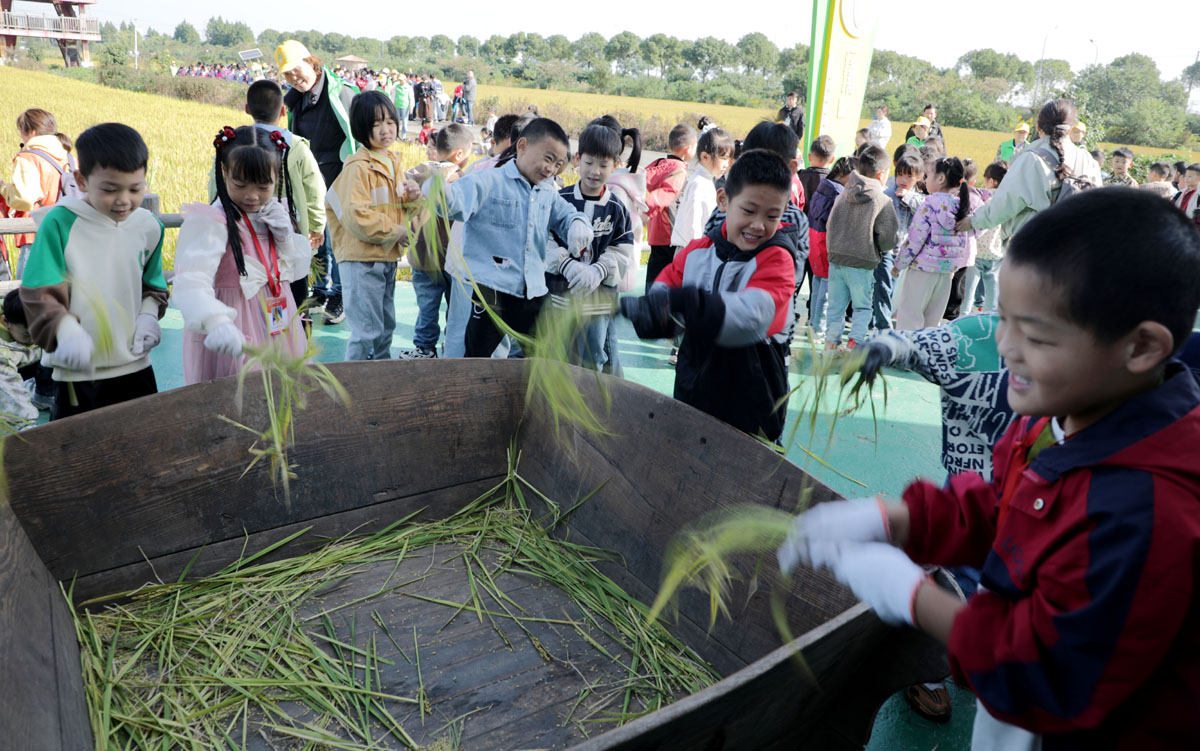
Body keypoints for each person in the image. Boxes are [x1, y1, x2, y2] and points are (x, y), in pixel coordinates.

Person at [778, 188, 1200, 749]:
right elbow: (1004, 506)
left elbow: (1042, 672)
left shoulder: (1149, 510)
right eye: (1003, 321)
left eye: (1037, 336)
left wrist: (914, 598)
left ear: (1142, 347)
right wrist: (894, 519)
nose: (1006, 348)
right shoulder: (1057, 414)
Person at [620, 150, 799, 442]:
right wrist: (653, 313)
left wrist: (685, 301)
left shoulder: (777, 259)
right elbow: (666, 292)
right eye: (749, 210)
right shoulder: (697, 251)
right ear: (724, 201)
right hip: (695, 397)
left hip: (752, 410)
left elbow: (748, 320)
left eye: (772, 216)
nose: (759, 224)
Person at [19, 123, 167, 419]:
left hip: (136, 364)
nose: (124, 200)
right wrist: (66, 330)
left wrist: (149, 316)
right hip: (78, 374)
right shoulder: (60, 222)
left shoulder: (149, 226)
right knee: (78, 458)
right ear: (81, 180)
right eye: (110, 190)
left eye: (136, 188)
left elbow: (153, 285)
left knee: (143, 447)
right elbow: (40, 290)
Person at [409, 118, 591, 358]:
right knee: (477, 358)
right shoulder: (488, 181)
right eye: (548, 158)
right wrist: (439, 191)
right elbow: (455, 202)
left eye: (558, 164)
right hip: (491, 294)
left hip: (532, 291)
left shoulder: (547, 190)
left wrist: (578, 224)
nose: (551, 169)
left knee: (543, 357)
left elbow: (566, 215)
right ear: (522, 146)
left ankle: (531, 394)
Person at [174, 126, 310, 384]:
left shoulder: (273, 213)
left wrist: (286, 238)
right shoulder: (213, 222)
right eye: (240, 184)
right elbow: (191, 280)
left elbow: (295, 270)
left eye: (263, 186)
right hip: (234, 327)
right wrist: (216, 322)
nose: (252, 195)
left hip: (278, 320)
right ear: (224, 171)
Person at [276, 40, 359, 326]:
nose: (294, 78)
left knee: (338, 238)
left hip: (338, 175)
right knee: (316, 236)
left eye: (297, 70)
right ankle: (321, 290)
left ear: (311, 62)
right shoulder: (295, 99)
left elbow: (357, 135)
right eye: (287, 75)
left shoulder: (342, 93)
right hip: (310, 178)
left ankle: (339, 294)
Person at [325, 92, 410, 362]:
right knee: (367, 332)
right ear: (362, 130)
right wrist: (398, 232)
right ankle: (357, 388)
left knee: (385, 328)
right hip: (362, 260)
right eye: (376, 124)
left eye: (389, 121)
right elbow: (357, 216)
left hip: (384, 256)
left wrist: (414, 194)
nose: (386, 129)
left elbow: (396, 206)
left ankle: (380, 383)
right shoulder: (358, 168)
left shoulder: (392, 162)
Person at [543, 123, 636, 371]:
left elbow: (623, 250)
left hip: (598, 302)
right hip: (559, 295)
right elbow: (543, 239)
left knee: (593, 357)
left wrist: (599, 271)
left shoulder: (617, 208)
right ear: (577, 159)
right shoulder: (560, 200)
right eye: (589, 162)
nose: (595, 171)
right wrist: (565, 264)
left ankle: (589, 406)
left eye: (604, 165)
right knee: (555, 353)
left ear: (615, 166)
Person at [957, 99, 1102, 242]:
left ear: (1038, 127)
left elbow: (1004, 204)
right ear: (1069, 130)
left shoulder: (1031, 159)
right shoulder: (1088, 160)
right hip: (1078, 246)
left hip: (1039, 244)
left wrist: (972, 221)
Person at [399, 123, 472, 359]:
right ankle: (451, 346)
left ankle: (424, 347)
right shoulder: (460, 178)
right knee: (455, 310)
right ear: (459, 154)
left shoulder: (417, 172)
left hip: (422, 257)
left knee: (427, 308)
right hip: (451, 261)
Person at [892, 157, 981, 331]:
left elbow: (914, 240)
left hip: (922, 270)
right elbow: (962, 242)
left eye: (928, 175)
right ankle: (926, 355)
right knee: (933, 321)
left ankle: (906, 356)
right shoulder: (960, 206)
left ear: (940, 179)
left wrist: (899, 265)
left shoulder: (929, 205)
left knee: (910, 318)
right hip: (946, 272)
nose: (925, 179)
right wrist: (954, 267)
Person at [823, 144, 898, 350]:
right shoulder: (882, 200)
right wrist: (879, 248)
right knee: (862, 307)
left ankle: (830, 345)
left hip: (837, 258)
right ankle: (853, 346)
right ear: (882, 174)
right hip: (862, 261)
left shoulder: (843, 193)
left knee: (835, 307)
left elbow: (830, 224)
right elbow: (888, 238)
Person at [0, 109, 74, 280]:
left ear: (31, 132)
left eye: (21, 130)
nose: (20, 135)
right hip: (68, 234)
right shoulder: (69, 158)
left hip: (36, 233)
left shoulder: (29, 158)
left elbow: (25, 198)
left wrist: (4, 189)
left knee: (28, 295)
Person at [806, 156, 855, 343]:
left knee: (817, 285)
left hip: (814, 241)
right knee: (827, 291)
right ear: (844, 174)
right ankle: (819, 329)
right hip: (828, 244)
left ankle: (813, 324)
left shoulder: (822, 187)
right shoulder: (839, 194)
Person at [643, 123, 696, 292]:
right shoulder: (679, 170)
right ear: (688, 149)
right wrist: (645, 212)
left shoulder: (661, 165)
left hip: (655, 231)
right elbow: (667, 193)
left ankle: (647, 308)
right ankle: (658, 312)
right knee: (668, 277)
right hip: (669, 233)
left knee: (654, 272)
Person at [877, 151, 925, 332]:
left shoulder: (918, 198)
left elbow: (923, 208)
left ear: (919, 177)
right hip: (886, 249)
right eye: (900, 174)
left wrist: (907, 196)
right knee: (884, 286)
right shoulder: (888, 193)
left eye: (909, 176)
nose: (903, 179)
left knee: (895, 290)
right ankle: (883, 325)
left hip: (905, 252)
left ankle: (885, 317)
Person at [962, 161, 1007, 313]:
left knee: (969, 290)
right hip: (996, 252)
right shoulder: (1006, 200)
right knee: (992, 291)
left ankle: (963, 316)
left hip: (977, 251)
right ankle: (989, 320)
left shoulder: (984, 197)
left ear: (992, 181)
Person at [798, 136, 836, 220]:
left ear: (809, 157)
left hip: (801, 227)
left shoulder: (799, 177)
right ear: (832, 159)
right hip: (821, 231)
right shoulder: (834, 182)